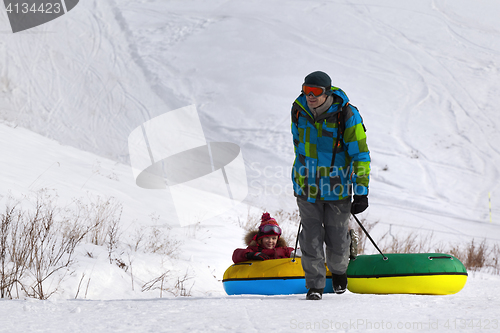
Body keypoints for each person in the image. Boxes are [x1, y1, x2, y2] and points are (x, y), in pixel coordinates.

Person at [291, 71, 370, 300]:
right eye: (306, 91)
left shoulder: (346, 114)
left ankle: (338, 273)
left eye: (315, 92)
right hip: (306, 186)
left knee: (336, 236)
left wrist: (361, 192)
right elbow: (298, 145)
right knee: (310, 237)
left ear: (327, 93)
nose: (310, 96)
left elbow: (360, 155)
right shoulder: (298, 110)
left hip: (337, 189)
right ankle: (315, 285)